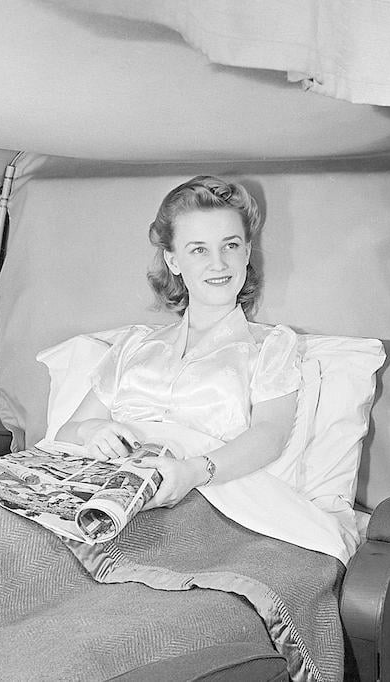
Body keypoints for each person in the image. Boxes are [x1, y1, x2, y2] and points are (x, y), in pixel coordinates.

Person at [50, 174, 301, 512]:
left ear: (247, 252)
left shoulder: (270, 346)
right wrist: (92, 430)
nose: (218, 263)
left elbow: (270, 435)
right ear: (173, 261)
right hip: (94, 488)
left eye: (230, 245)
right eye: (199, 249)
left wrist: (194, 472)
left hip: (199, 499)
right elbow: (67, 431)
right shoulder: (134, 345)